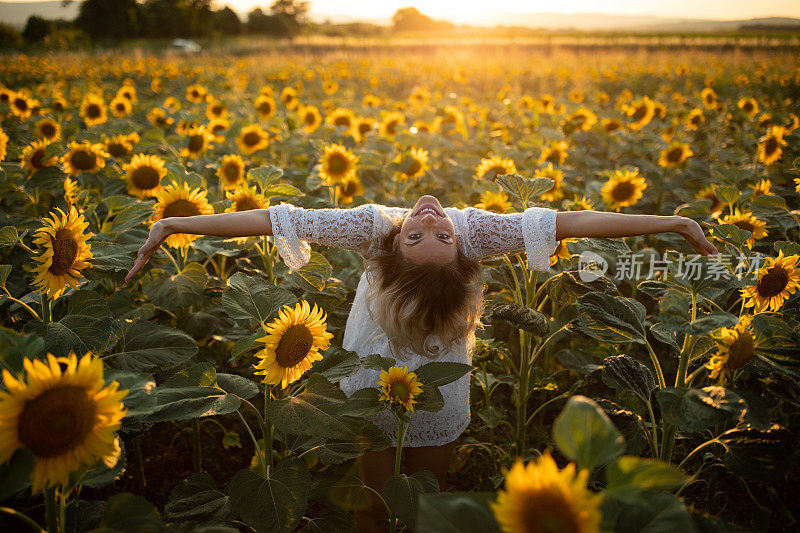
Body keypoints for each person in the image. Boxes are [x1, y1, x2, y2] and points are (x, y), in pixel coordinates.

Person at [124, 194, 717, 532]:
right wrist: (179, 221)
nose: (432, 219)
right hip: (375, 369)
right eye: (431, 234)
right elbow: (571, 222)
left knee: (428, 487)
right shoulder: (472, 232)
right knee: (375, 497)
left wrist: (181, 222)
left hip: (436, 375)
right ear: (462, 253)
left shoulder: (380, 228)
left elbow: (276, 221)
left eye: (425, 234)